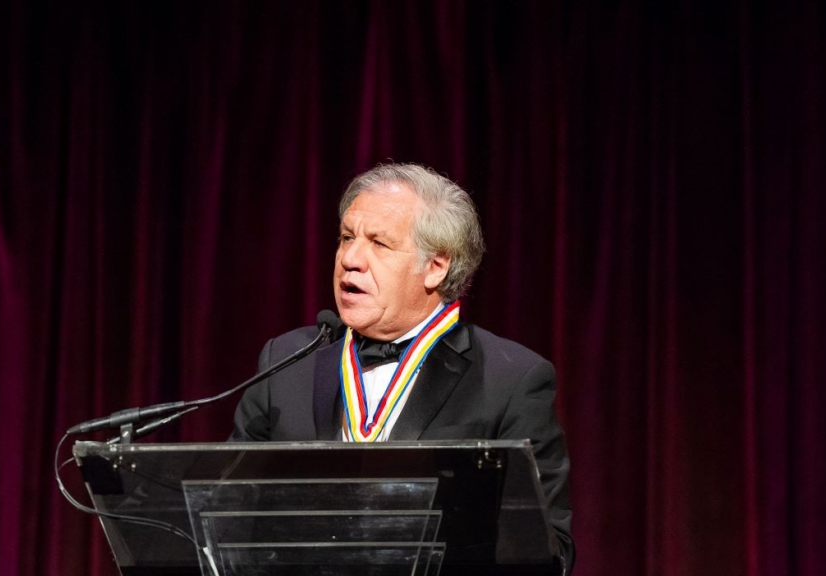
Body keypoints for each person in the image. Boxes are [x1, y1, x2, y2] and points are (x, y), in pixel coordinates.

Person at [232, 163, 574, 572]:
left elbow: (548, 553)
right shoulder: (285, 362)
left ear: (436, 266)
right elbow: (228, 516)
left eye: (379, 244)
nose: (350, 259)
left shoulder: (512, 380)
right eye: (346, 238)